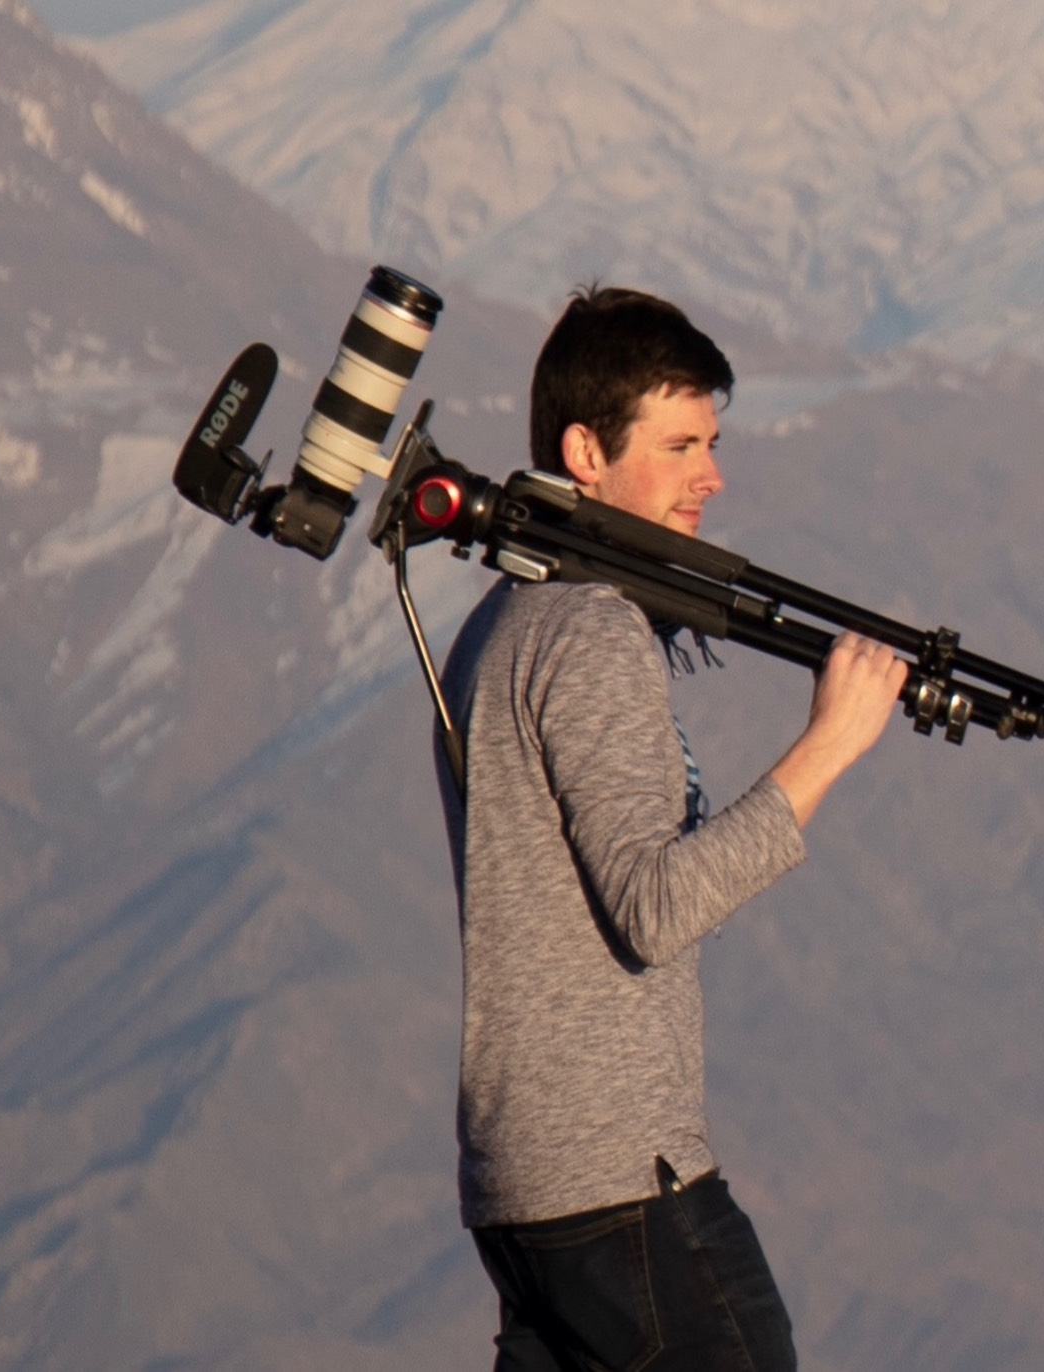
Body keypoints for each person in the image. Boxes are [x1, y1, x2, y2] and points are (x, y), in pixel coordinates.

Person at [435, 286, 907, 1372]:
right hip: (619, 1180)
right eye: (682, 443)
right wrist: (828, 744)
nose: (712, 473)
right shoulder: (591, 635)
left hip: (522, 1186)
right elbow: (654, 907)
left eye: (713, 440)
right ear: (584, 452)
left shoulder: (502, 625)